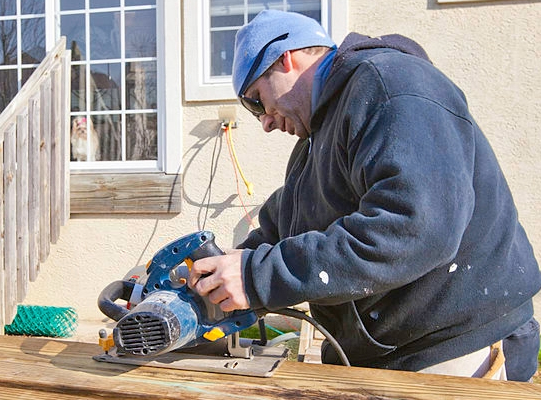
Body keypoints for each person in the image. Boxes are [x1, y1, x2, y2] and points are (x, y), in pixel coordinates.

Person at [188, 10, 541, 381]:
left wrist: (256, 277)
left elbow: (414, 228)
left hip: (451, 348)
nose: (265, 122)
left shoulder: (392, 86)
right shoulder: (313, 146)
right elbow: (281, 231)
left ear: (284, 58)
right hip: (384, 355)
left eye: (257, 100)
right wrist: (217, 271)